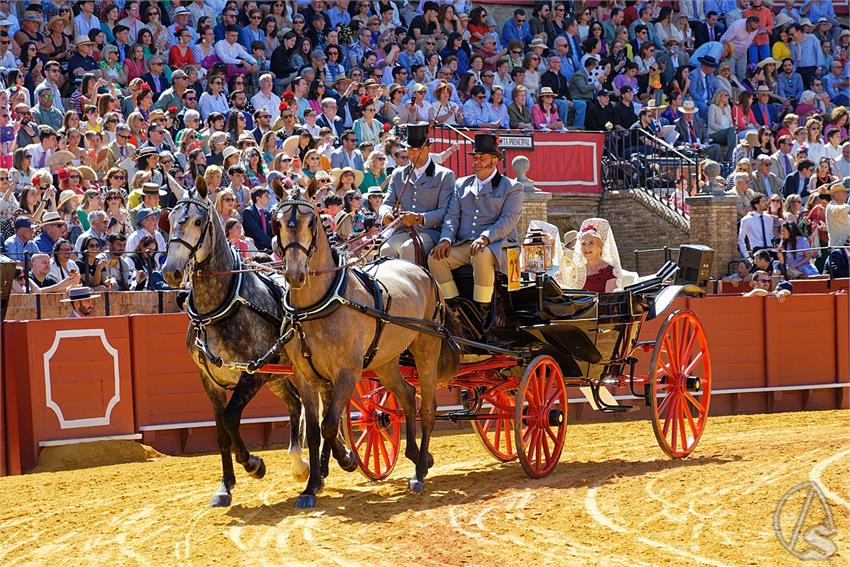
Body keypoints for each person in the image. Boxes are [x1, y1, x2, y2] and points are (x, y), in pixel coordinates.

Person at [429, 133, 522, 311]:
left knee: (481, 253)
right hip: (466, 244)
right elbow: (452, 217)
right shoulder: (461, 184)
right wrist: (445, 239)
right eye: (475, 158)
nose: (476, 162)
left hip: (499, 246)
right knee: (435, 258)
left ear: (494, 161)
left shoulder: (511, 186)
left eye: (482, 158)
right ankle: (456, 309)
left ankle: (483, 309)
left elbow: (508, 220)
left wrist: (485, 238)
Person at [379, 123, 454, 262]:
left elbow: (445, 211)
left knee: (409, 248)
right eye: (411, 150)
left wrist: (419, 218)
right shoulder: (398, 174)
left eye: (419, 149)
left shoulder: (445, 175)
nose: (414, 154)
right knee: (385, 249)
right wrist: (387, 214)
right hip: (403, 230)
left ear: (428, 148)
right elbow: (387, 203)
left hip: (431, 232)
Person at [825, 178, 850, 248]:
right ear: (835, 195)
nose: (846, 194)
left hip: (845, 247)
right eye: (844, 192)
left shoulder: (843, 206)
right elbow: (838, 210)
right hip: (838, 248)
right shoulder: (831, 206)